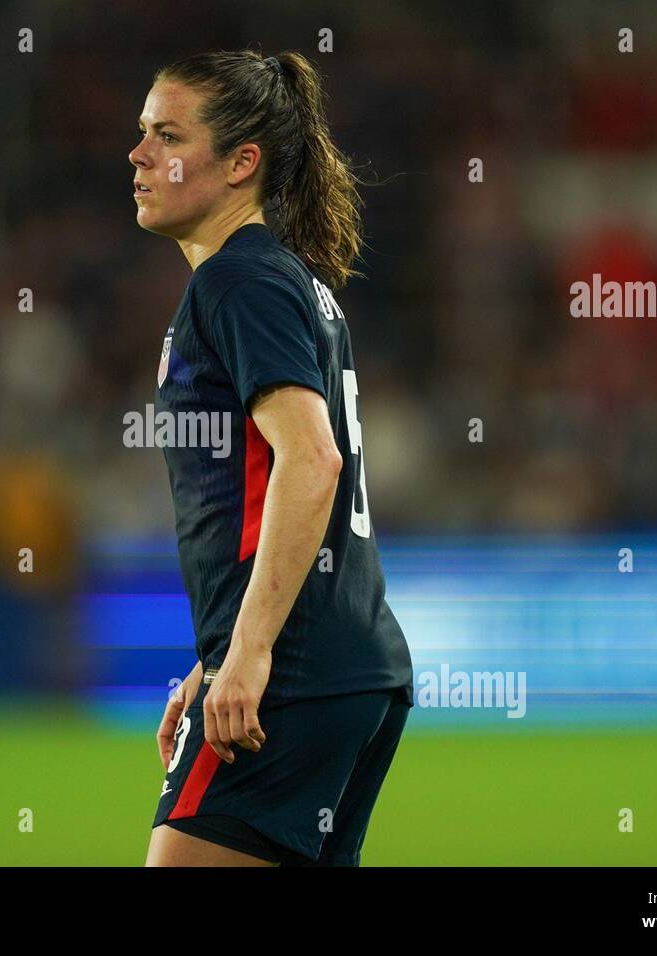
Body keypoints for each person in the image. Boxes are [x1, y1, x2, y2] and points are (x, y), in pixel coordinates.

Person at [131, 50, 415, 866]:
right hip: (344, 668)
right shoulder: (284, 282)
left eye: (167, 135)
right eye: (141, 133)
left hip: (292, 675)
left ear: (240, 163)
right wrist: (218, 653)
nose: (139, 154)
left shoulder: (238, 283)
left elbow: (311, 459)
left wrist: (249, 652)